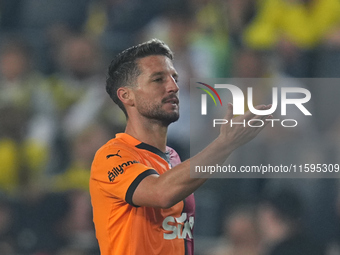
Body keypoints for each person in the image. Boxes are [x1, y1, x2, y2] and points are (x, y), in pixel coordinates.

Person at [89, 38, 272, 255]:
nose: (174, 87)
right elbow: (160, 193)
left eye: (174, 78)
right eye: (158, 80)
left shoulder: (174, 159)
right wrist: (226, 143)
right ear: (126, 95)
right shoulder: (111, 156)